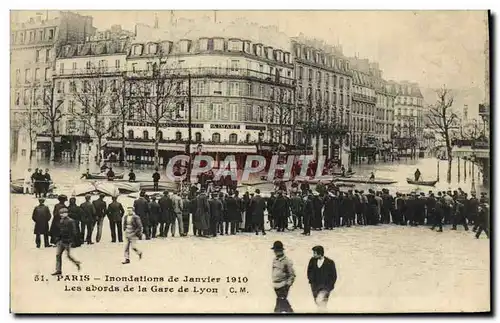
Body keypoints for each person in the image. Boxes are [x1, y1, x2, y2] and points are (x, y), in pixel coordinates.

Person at [307, 245, 338, 312]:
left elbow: (334, 276)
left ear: (320, 253)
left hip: (325, 288)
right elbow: (309, 271)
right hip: (315, 287)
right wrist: (311, 281)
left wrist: (329, 287)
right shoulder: (312, 261)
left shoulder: (330, 262)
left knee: (320, 301)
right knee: (319, 304)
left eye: (314, 253)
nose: (313, 255)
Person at [51, 208, 81, 276]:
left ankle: (76, 263)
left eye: (63, 213)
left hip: (67, 241)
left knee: (68, 256)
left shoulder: (71, 221)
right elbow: (59, 230)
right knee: (58, 255)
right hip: (61, 240)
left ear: (66, 213)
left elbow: (74, 232)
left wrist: (71, 240)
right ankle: (58, 270)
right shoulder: (61, 220)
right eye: (60, 213)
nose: (61, 214)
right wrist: (58, 239)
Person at [271, 241, 295, 313]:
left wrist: (287, 285)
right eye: (274, 250)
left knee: (280, 302)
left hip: (283, 286)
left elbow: (292, 275)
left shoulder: (287, 261)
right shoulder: (275, 260)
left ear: (280, 251)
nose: (275, 252)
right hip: (276, 286)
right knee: (282, 303)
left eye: (276, 250)